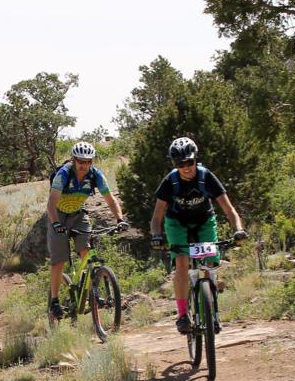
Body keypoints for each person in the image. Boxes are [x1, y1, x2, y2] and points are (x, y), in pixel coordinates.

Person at [149, 136, 248, 334]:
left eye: (189, 162)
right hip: (177, 222)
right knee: (183, 263)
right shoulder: (170, 181)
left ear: (196, 159)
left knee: (208, 261)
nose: (186, 167)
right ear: (173, 164)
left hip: (204, 220)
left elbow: (229, 210)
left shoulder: (206, 177)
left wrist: (238, 229)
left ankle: (211, 307)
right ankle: (183, 314)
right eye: (180, 163)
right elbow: (156, 217)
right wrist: (156, 235)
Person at [47, 141, 127, 320]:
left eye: (88, 161)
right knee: (58, 260)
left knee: (87, 252)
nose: (84, 165)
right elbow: (51, 203)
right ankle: (54, 301)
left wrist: (120, 219)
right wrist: (55, 223)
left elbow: (110, 198)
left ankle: (92, 293)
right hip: (58, 216)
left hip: (78, 215)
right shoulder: (64, 174)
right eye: (81, 161)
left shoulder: (95, 175)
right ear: (74, 160)